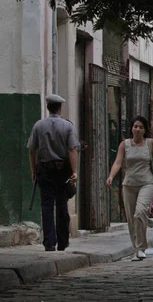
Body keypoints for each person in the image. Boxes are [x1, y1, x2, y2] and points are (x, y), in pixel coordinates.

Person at [106, 116, 153, 261]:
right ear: (131, 128)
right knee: (132, 219)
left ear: (145, 130)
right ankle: (137, 249)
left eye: (140, 127)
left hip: (147, 183)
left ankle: (141, 247)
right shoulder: (124, 145)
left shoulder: (150, 144)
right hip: (129, 185)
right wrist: (111, 176)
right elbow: (118, 162)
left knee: (139, 212)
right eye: (135, 126)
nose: (137, 129)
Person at [27, 94, 79, 251]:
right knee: (62, 205)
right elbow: (72, 149)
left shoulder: (38, 125)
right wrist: (74, 171)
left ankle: (49, 242)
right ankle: (63, 241)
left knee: (47, 206)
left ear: (48, 107)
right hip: (62, 171)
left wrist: (33, 170)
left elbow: (31, 150)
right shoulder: (67, 126)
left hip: (44, 170)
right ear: (59, 107)